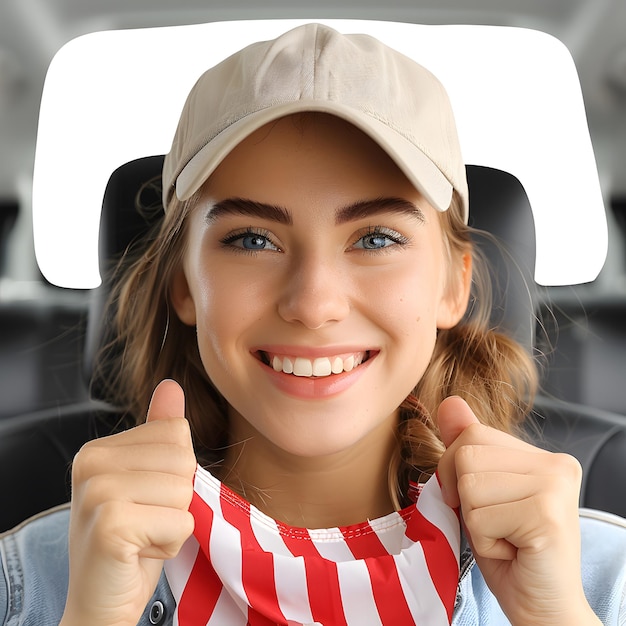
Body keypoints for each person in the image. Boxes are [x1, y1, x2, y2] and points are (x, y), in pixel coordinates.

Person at [2, 23, 625, 626]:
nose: (314, 302)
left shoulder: (601, 584)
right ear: (184, 287)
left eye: (377, 237)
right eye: (251, 239)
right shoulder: (29, 583)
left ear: (453, 284)